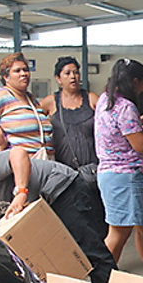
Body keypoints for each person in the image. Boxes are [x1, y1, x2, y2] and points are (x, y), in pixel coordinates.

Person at [0, 147, 115, 283]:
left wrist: (21, 191)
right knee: (51, 262)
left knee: (89, 249)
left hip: (60, 188)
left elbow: (18, 153)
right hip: (38, 207)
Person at [95, 58, 143, 283]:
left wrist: (142, 120)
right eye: (142, 83)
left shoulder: (105, 100)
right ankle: (101, 280)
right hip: (126, 176)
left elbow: (119, 130)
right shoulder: (126, 107)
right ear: (135, 81)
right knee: (118, 233)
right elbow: (140, 145)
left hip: (110, 174)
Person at [40, 56, 106, 235]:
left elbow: (112, 120)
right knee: (70, 223)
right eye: (67, 73)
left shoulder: (92, 99)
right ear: (58, 79)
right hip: (64, 175)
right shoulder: (50, 102)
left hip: (93, 174)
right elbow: (32, 124)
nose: (73, 77)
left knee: (98, 221)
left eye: (76, 72)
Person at [0, 52, 52, 159]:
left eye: (26, 70)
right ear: (6, 77)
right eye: (17, 71)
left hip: (43, 160)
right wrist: (0, 141)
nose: (23, 74)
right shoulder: (0, 96)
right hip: (20, 164)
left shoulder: (31, 99)